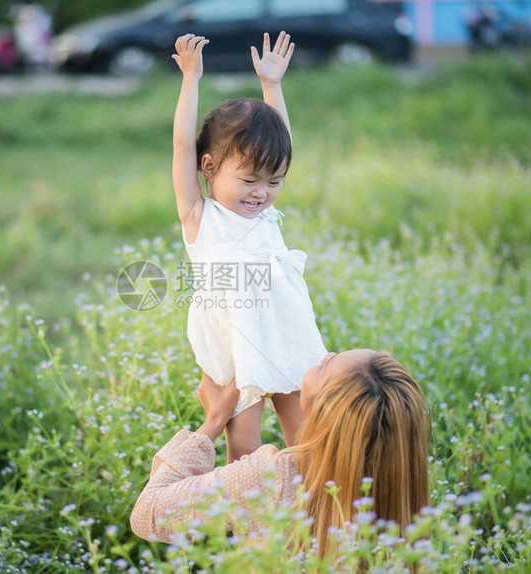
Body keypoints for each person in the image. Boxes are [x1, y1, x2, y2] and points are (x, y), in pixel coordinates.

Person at [172, 31, 328, 464]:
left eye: (273, 182)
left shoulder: (263, 216)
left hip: (285, 329)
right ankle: (250, 525)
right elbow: (183, 145)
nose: (262, 192)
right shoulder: (199, 216)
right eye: (249, 180)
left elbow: (284, 147)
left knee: (305, 434)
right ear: (210, 167)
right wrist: (191, 79)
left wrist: (272, 86)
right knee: (244, 445)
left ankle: (308, 518)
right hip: (234, 340)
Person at [130, 349, 431, 560]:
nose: (324, 355)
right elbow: (259, 498)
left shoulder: (271, 478)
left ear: (320, 412)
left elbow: (147, 514)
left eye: (328, 365)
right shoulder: (399, 480)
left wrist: (212, 422)